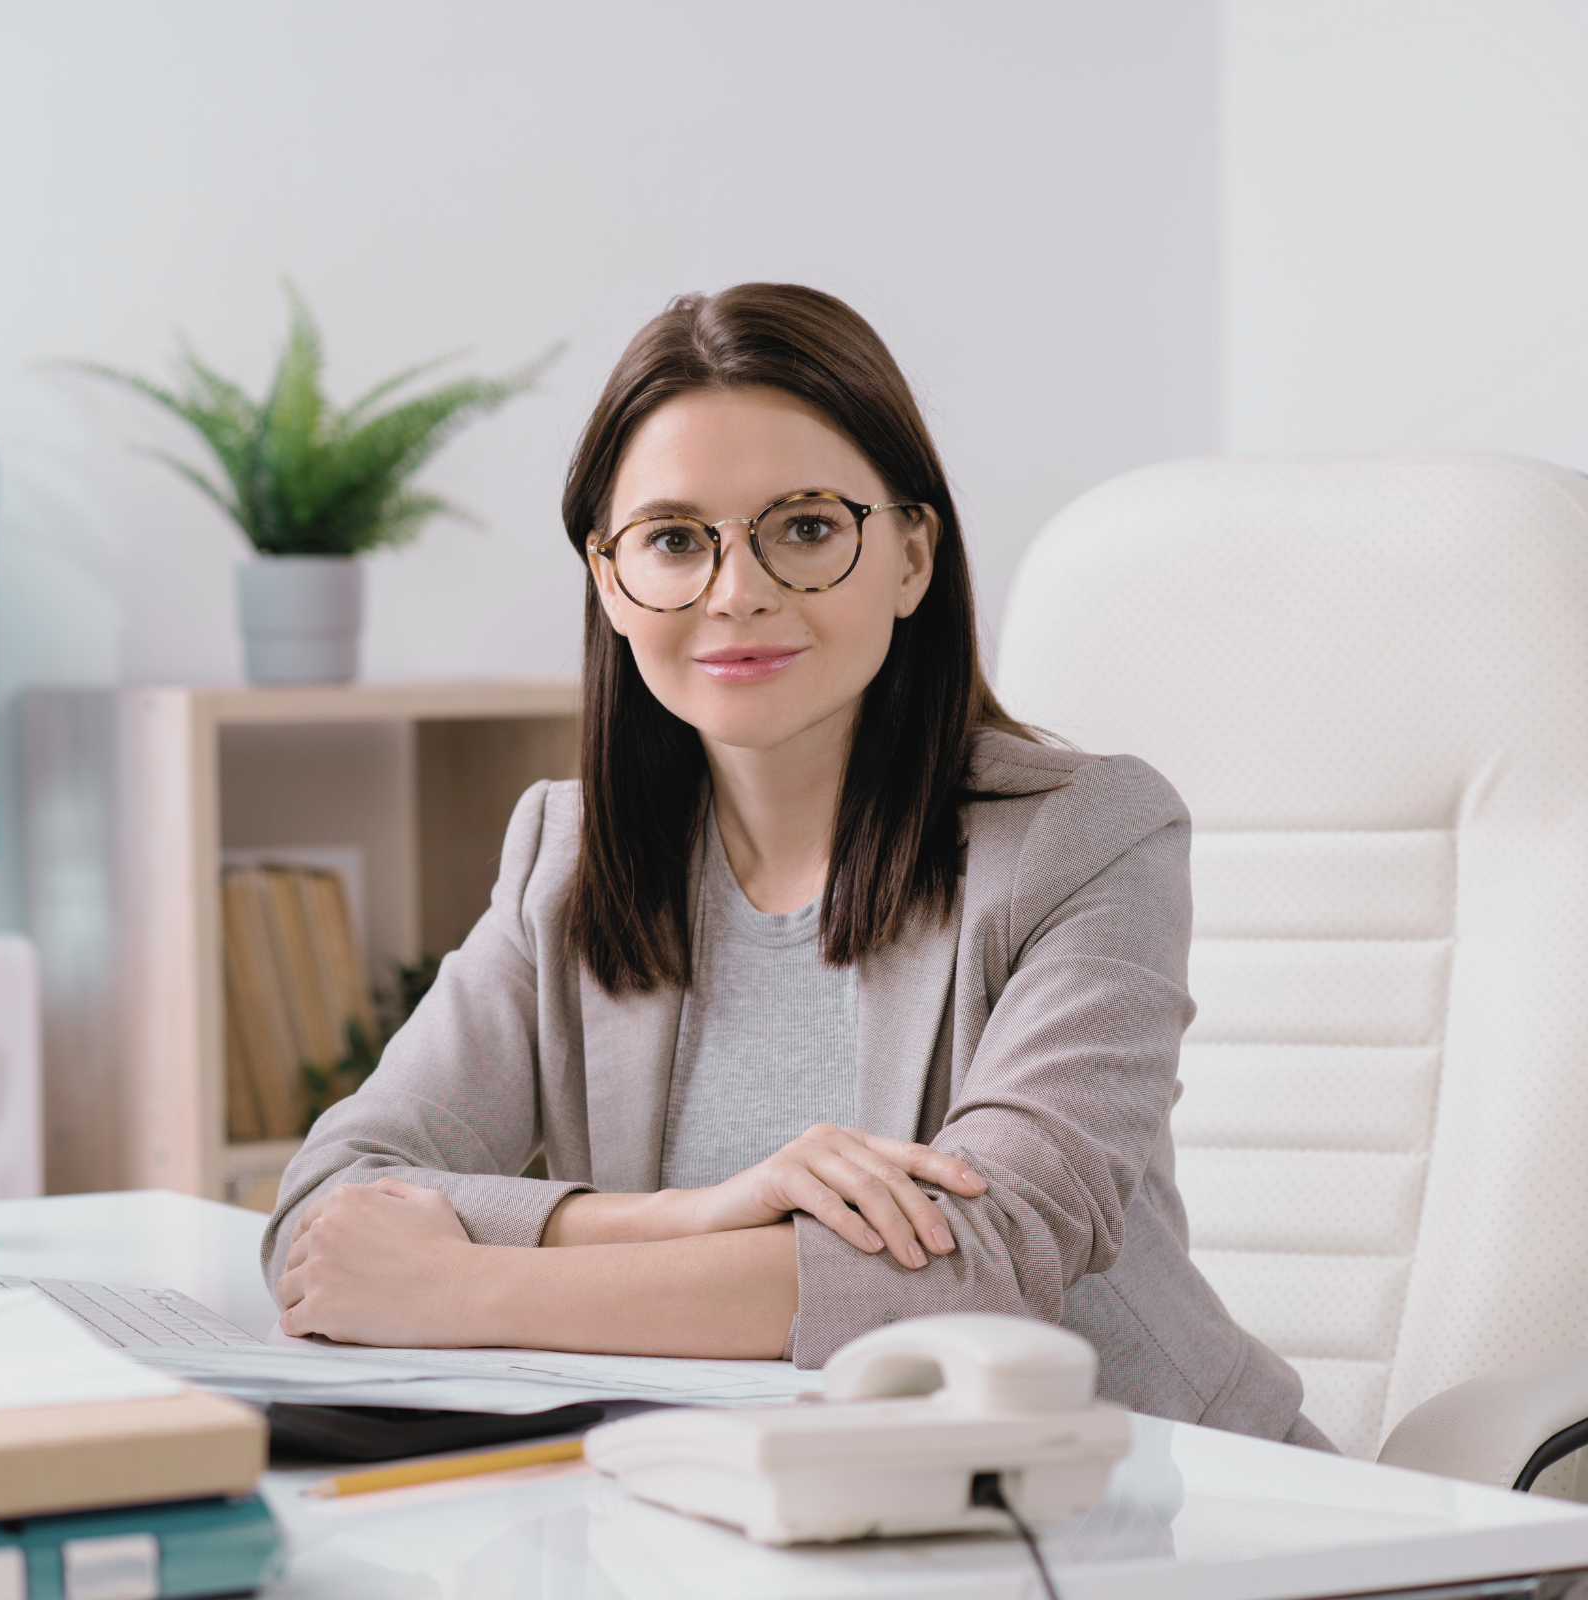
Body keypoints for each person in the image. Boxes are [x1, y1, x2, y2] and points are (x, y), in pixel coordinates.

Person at [262, 283, 1330, 1447]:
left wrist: (465, 1290)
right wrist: (695, 1215)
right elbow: (329, 1207)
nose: (738, 592)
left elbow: (969, 1272)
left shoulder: (1083, 838)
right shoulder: (562, 863)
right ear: (610, 581)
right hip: (739, 1499)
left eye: (807, 527)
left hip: (1142, 1494)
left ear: (911, 557)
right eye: (674, 540)